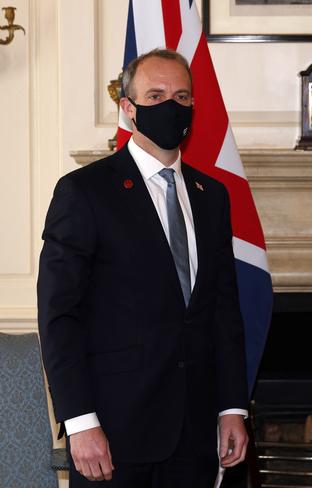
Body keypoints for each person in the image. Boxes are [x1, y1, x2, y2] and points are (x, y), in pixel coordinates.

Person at [38, 49, 248, 487]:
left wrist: (232, 408)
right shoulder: (84, 191)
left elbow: (223, 312)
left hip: (196, 434)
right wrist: (79, 422)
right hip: (112, 433)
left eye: (182, 96)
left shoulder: (212, 195)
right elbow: (60, 317)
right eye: (155, 95)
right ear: (128, 109)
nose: (171, 105)